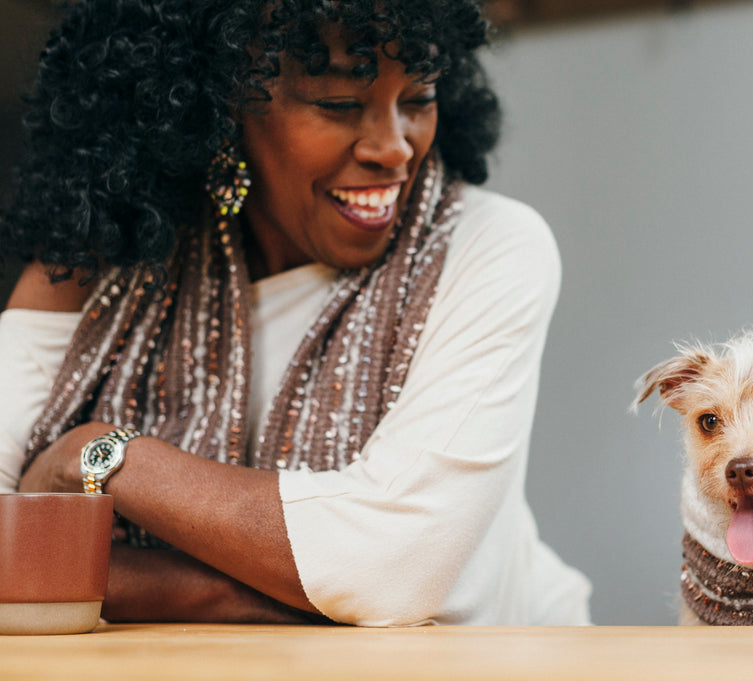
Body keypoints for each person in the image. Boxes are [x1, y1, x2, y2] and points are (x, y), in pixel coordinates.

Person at [0, 0, 591, 626]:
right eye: (338, 105)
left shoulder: (490, 245)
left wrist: (101, 455)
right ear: (223, 108)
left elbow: (392, 567)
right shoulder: (95, 269)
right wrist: (283, 595)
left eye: (418, 98)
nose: (394, 148)